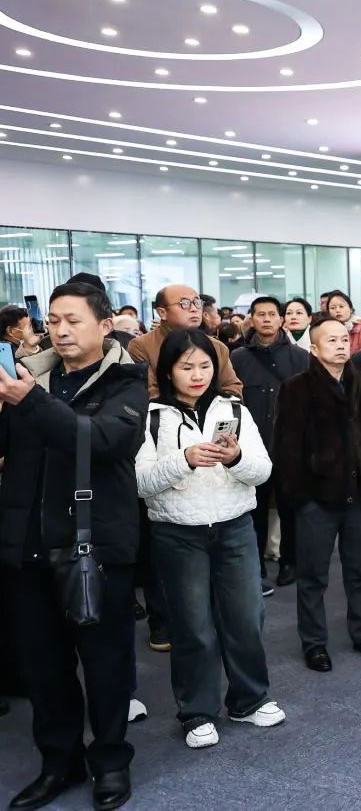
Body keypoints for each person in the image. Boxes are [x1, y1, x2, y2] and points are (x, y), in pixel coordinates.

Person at [0, 281, 147, 811]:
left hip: (95, 548)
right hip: (30, 546)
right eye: (54, 321)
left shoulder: (127, 381)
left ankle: (110, 762)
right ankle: (59, 764)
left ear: (105, 327)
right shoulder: (29, 377)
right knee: (44, 667)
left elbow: (101, 442)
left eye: (73, 320)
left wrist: (31, 402)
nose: (60, 331)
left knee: (106, 665)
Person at [135, 328, 284, 749]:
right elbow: (141, 482)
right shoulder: (151, 416)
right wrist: (184, 460)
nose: (197, 375)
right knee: (193, 626)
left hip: (234, 527)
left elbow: (263, 471)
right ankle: (197, 711)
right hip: (177, 533)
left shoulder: (234, 409)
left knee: (247, 619)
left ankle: (249, 699)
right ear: (168, 370)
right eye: (187, 367)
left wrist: (235, 458)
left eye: (205, 366)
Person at [273, 315, 361, 672]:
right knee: (313, 576)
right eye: (332, 340)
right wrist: (299, 497)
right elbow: (287, 448)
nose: (341, 346)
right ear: (314, 348)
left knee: (360, 570)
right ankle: (314, 642)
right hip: (317, 497)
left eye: (344, 340)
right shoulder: (297, 388)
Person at [230, 297, 311, 591]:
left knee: (290, 507)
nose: (266, 319)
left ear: (281, 319)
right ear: (251, 319)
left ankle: (290, 561)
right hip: (252, 445)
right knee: (255, 508)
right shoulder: (237, 357)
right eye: (260, 314)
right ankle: (257, 565)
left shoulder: (300, 357)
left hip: (290, 445)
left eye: (272, 314)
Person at [129, 285, 243, 400]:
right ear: (162, 313)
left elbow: (232, 387)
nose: (194, 309)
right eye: (185, 303)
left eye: (197, 303)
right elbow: (149, 392)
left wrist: (211, 407)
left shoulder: (217, 346)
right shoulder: (141, 346)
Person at [324, 290, 361, 355]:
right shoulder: (325, 330)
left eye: (341, 306)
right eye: (333, 308)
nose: (337, 310)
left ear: (351, 309)